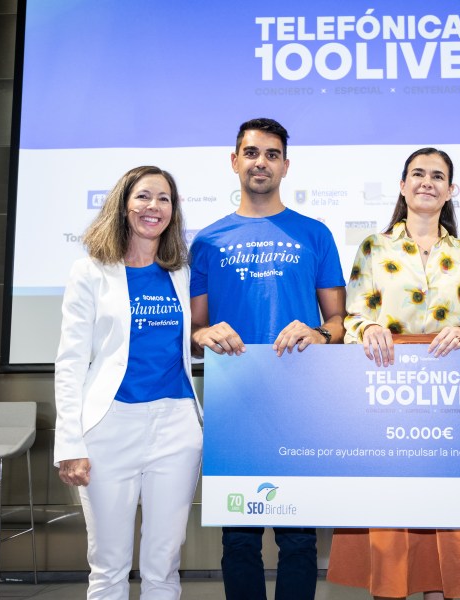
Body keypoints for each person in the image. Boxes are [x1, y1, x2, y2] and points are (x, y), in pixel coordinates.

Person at [189, 117, 346, 600]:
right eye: (252, 152)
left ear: (285, 166)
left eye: (272, 154)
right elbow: (195, 332)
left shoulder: (314, 234)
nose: (261, 162)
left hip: (301, 401)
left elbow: (340, 323)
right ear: (235, 161)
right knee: (238, 540)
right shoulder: (207, 241)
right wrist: (204, 332)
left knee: (299, 540)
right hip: (233, 401)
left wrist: (318, 332)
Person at [326, 147, 460, 600]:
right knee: (392, 512)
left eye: (438, 176)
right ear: (402, 186)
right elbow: (352, 318)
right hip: (389, 389)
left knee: (448, 508)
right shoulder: (373, 247)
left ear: (450, 191)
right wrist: (370, 327)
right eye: (417, 174)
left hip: (450, 392)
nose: (427, 182)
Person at [54, 166, 203, 600]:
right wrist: (70, 444)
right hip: (109, 427)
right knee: (108, 567)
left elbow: (189, 340)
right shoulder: (90, 272)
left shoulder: (182, 271)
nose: (153, 207)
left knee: (164, 565)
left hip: (176, 426)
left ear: (173, 212)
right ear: (123, 205)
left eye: (164, 199)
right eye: (143, 197)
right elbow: (70, 361)